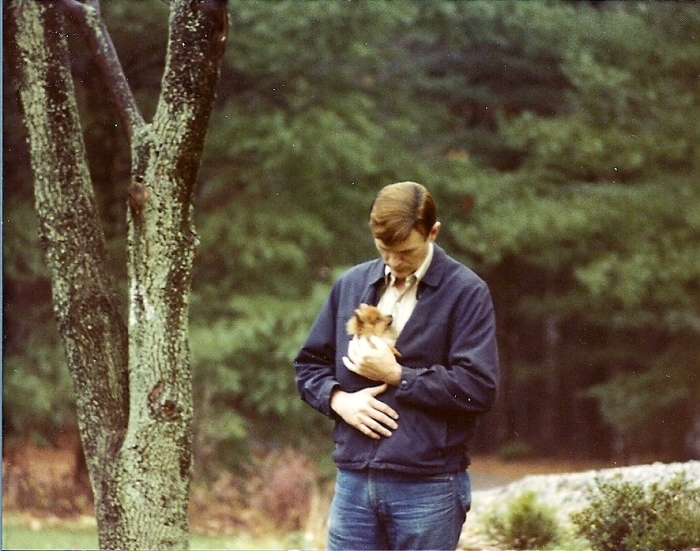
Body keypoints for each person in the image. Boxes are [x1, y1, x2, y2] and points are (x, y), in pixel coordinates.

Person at [294, 181, 499, 550]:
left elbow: (477, 388)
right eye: (384, 250)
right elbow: (308, 366)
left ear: (433, 232)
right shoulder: (352, 284)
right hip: (354, 482)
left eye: (405, 251)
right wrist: (339, 399)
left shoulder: (466, 292)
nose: (394, 262)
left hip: (428, 486)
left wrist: (398, 376)